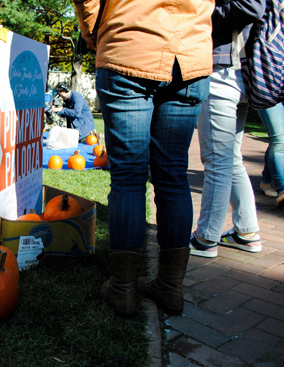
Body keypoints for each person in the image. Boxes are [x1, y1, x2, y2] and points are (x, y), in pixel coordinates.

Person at [73, 0, 213, 316]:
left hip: (129, 42)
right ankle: (170, 287)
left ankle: (122, 289)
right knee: (173, 173)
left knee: (128, 175)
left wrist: (95, 34)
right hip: (190, 52)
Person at [190, 0, 266, 259]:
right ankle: (246, 232)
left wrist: (201, 14)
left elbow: (252, 6)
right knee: (231, 159)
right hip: (240, 70)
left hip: (222, 69)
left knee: (217, 160)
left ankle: (205, 237)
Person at [258, 103, 284, 207]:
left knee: (278, 141)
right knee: (279, 141)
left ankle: (266, 181)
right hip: (270, 93)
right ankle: (282, 189)